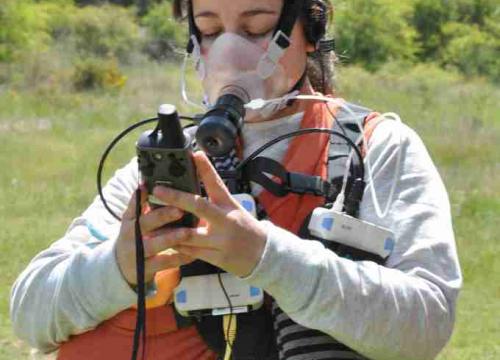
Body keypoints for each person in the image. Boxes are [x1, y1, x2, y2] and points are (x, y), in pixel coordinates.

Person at [10, 0, 462, 359]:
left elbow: (427, 323)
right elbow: (31, 312)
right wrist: (117, 268)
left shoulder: (376, 148)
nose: (228, 50)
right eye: (208, 30)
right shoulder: (166, 163)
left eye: (257, 27)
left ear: (311, 29)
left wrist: (268, 258)